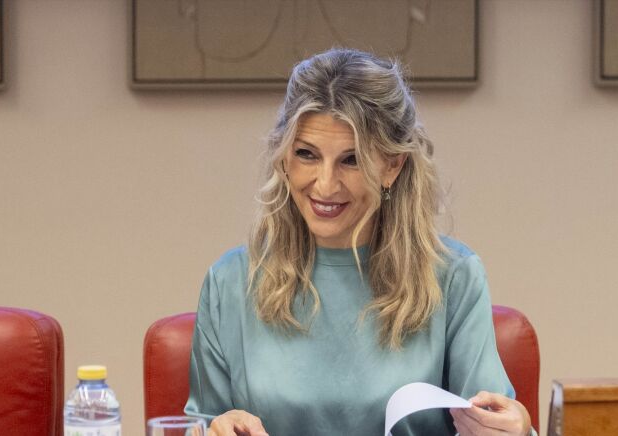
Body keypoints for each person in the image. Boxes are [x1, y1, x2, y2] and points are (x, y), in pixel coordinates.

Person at [184, 48, 534, 436]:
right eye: (306, 155)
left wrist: (517, 430)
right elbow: (200, 424)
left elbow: (492, 419)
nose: (325, 185)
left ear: (392, 165)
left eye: (351, 160)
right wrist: (213, 430)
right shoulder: (230, 282)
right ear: (284, 160)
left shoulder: (454, 277)